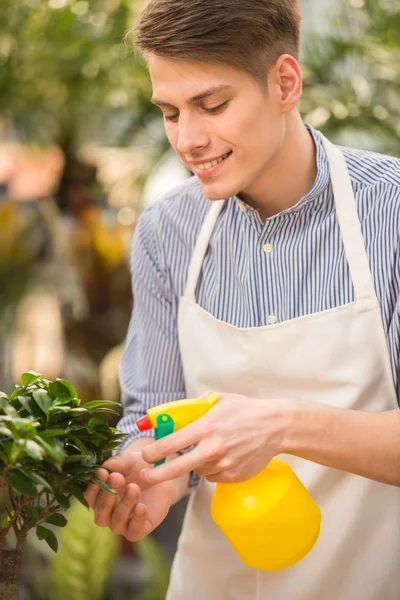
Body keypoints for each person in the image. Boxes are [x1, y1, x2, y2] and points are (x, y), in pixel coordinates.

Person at [84, 1, 400, 598]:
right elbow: (151, 414)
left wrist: (280, 425)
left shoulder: (393, 213)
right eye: (170, 113)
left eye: (213, 105)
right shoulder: (166, 232)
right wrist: (154, 481)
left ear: (285, 82)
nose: (189, 140)